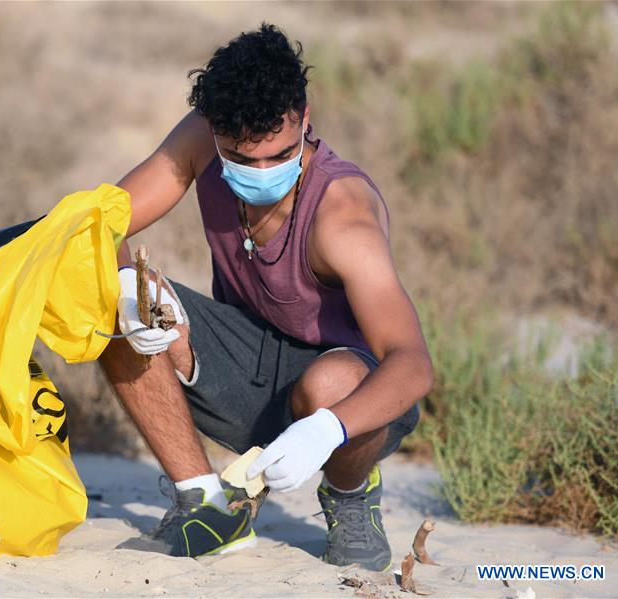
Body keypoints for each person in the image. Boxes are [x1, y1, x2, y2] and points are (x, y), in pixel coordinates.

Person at [99, 23, 433, 571]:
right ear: (215, 131)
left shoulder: (343, 216)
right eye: (240, 157)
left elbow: (413, 364)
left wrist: (326, 429)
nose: (260, 172)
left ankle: (350, 495)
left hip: (349, 393)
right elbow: (100, 223)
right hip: (246, 361)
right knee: (113, 297)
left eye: (277, 155)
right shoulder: (202, 137)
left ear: (304, 118)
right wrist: (126, 291)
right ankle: (204, 506)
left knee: (331, 383)